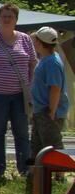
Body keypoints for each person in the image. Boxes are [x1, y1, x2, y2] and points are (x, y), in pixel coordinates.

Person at [0, 3, 36, 181]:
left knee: (22, 132)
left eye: (10, 16)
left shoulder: (25, 39)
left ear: (16, 19)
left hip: (20, 96)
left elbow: (33, 63)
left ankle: (25, 169)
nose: (7, 19)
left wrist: (31, 86)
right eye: (4, 16)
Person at [29, 27, 68, 178]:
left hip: (48, 111)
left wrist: (52, 110)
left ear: (40, 42)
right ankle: (34, 175)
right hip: (41, 110)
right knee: (37, 145)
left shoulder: (52, 62)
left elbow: (55, 88)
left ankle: (60, 175)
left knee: (52, 145)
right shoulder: (47, 59)